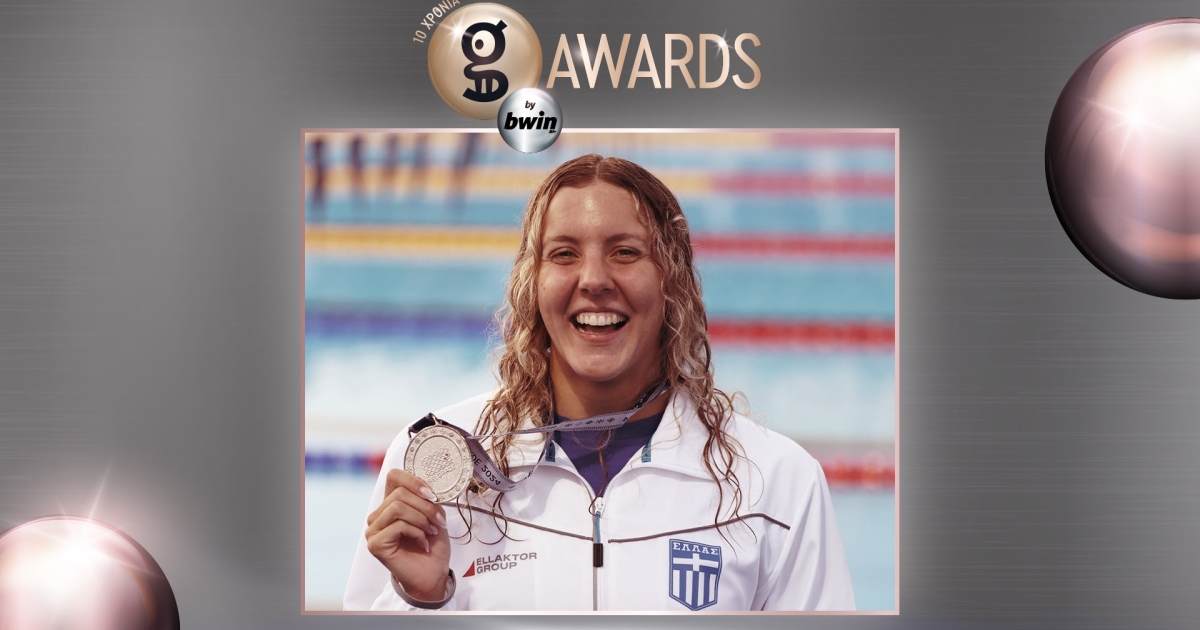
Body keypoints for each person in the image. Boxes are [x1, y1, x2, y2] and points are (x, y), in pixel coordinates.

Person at [343, 155, 855, 612]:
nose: (593, 279)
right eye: (564, 254)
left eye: (625, 252)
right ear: (533, 282)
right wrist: (422, 601)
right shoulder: (434, 468)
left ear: (672, 279)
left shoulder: (776, 484)